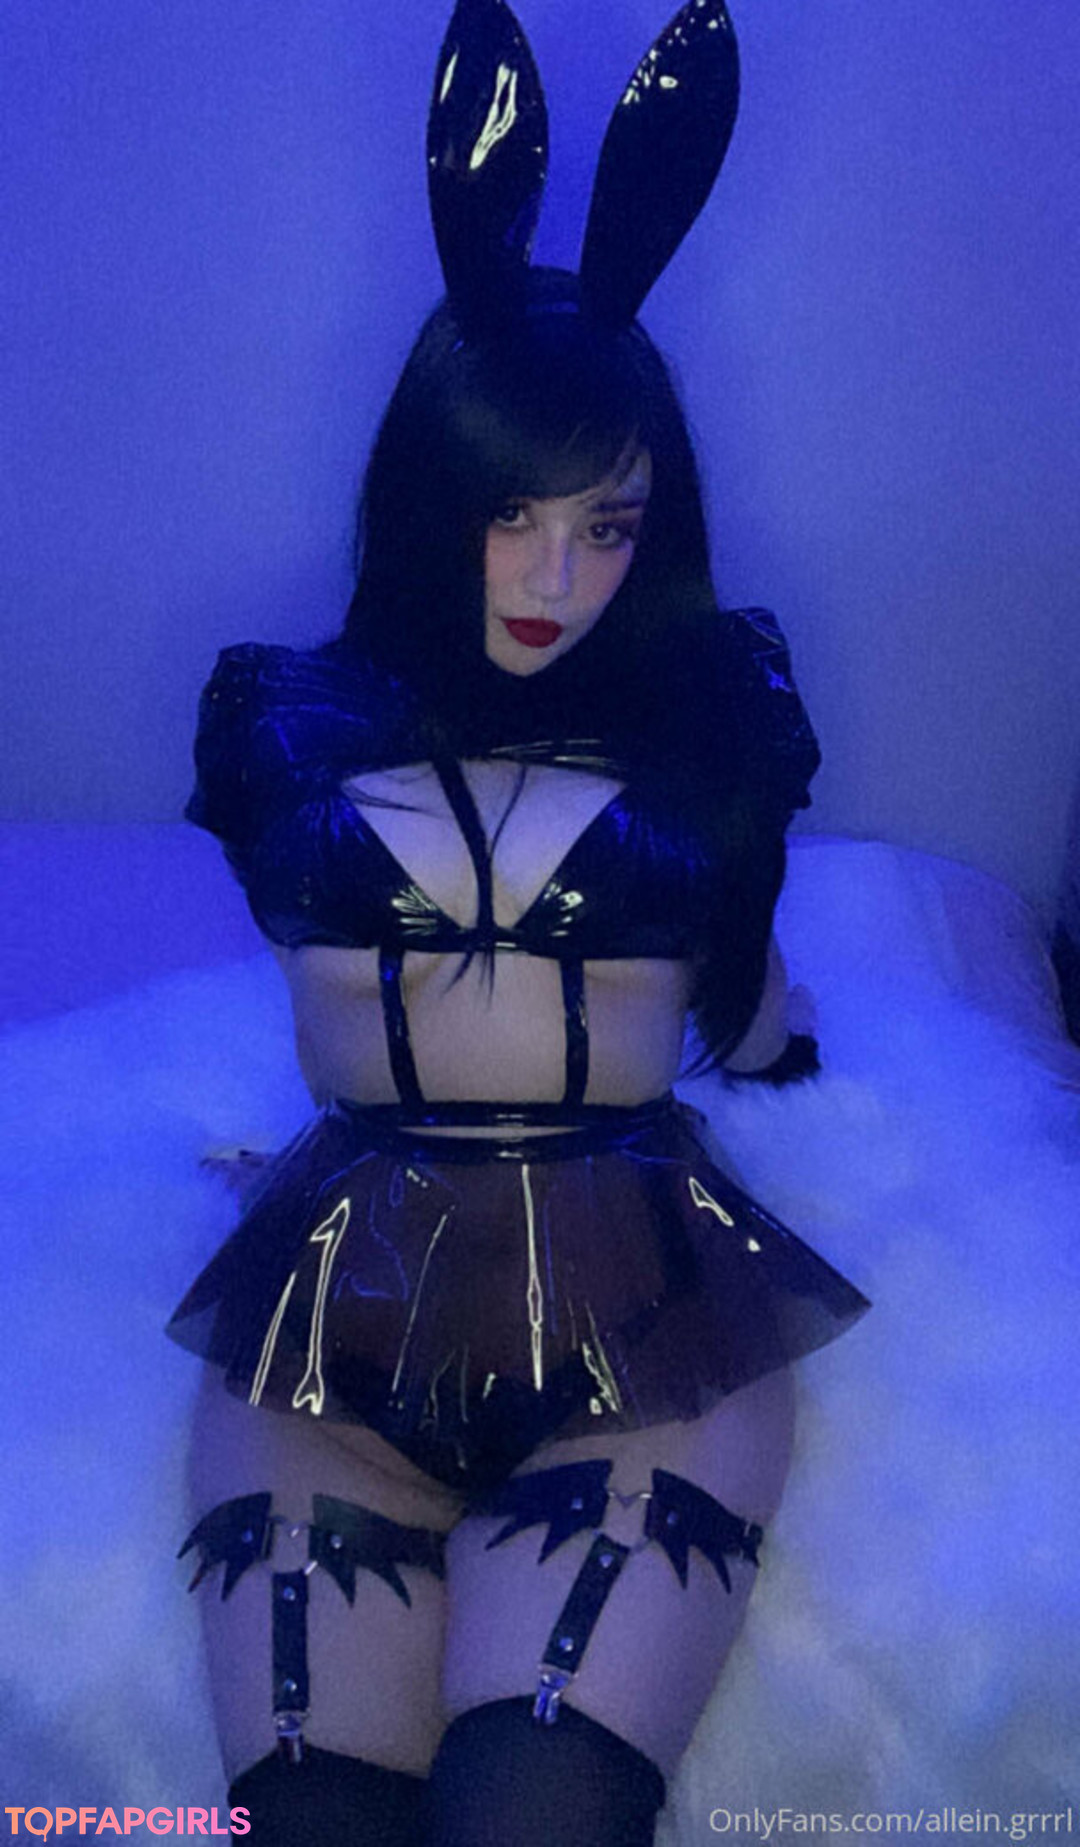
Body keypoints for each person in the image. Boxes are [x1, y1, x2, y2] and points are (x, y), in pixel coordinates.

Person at [167, 2, 869, 1840]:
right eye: (510, 515)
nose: (561, 575)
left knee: (533, 1812)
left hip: (644, 1335)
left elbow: (746, 983)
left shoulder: (713, 719)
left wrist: (793, 1051)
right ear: (431, 494)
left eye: (611, 525)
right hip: (333, 1327)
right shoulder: (282, 724)